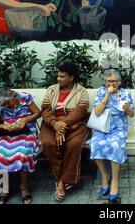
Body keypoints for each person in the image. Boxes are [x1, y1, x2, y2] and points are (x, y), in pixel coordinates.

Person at [40, 61, 90, 202]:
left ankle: (61, 181)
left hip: (74, 124)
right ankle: (63, 178)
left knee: (73, 144)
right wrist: (55, 124)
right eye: (58, 76)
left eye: (62, 76)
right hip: (52, 123)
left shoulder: (81, 91)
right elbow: (45, 110)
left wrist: (62, 125)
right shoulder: (51, 90)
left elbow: (80, 111)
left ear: (71, 77)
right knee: (48, 142)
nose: (58, 79)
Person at [90, 69, 135, 204]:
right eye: (109, 81)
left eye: (114, 81)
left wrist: (127, 108)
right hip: (103, 126)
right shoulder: (101, 92)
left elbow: (131, 114)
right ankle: (105, 175)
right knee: (95, 144)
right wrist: (107, 96)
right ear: (105, 82)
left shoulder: (125, 93)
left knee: (115, 146)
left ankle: (115, 180)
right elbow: (97, 112)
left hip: (119, 127)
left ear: (119, 82)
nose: (111, 83)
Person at [0, 86, 41, 204]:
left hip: (27, 131)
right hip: (8, 134)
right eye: (4, 104)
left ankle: (24, 188)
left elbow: (38, 113)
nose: (7, 106)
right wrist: (3, 126)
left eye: (8, 102)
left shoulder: (25, 97)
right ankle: (4, 189)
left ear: (12, 94)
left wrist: (25, 120)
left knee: (22, 153)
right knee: (1, 155)